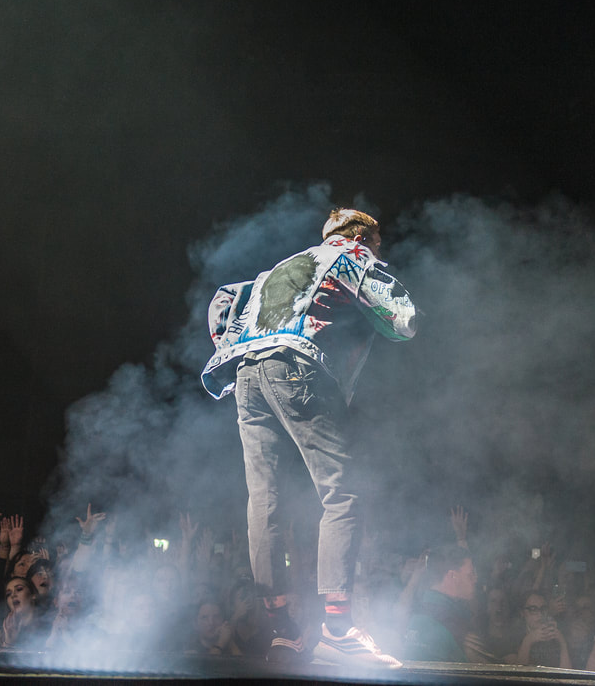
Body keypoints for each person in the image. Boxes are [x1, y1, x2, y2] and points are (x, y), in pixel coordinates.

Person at [201, 207, 418, 668]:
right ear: (361, 235)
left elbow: (224, 300)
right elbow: (403, 320)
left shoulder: (278, 268)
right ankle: (337, 631)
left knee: (265, 499)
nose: (377, 248)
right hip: (298, 367)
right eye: (376, 241)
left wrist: (228, 345)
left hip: (247, 374)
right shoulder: (350, 256)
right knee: (342, 493)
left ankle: (283, 631)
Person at [403, 544, 482, 663]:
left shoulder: (415, 611)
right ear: (453, 576)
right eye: (470, 575)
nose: (476, 579)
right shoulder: (454, 625)